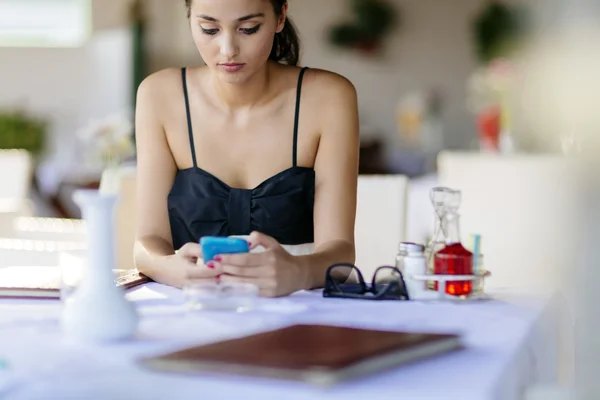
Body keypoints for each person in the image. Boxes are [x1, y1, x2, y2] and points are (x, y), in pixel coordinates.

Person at [133, 0, 359, 297]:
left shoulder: (329, 97)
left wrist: (298, 272)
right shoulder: (159, 94)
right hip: (196, 308)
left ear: (280, 17)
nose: (228, 49)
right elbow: (146, 243)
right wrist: (172, 269)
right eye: (209, 29)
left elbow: (340, 255)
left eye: (248, 29)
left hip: (300, 308)